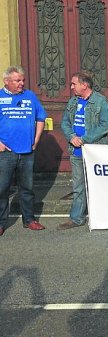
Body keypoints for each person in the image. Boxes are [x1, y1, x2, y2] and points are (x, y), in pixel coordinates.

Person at [59, 72, 108, 230]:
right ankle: (76, 217)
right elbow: (65, 123)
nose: (72, 87)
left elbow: (104, 126)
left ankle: (104, 215)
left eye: (74, 84)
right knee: (78, 186)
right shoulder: (73, 102)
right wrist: (72, 137)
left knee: (99, 184)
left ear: (85, 85)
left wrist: (84, 139)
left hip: (95, 151)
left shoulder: (101, 101)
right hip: (76, 151)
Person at [0, 66, 47, 235]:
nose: (21, 83)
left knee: (27, 188)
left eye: (22, 80)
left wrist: (36, 139)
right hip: (5, 153)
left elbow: (41, 117)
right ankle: (1, 222)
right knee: (2, 188)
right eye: (17, 80)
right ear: (6, 81)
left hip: (26, 152)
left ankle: (29, 220)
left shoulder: (30, 96)